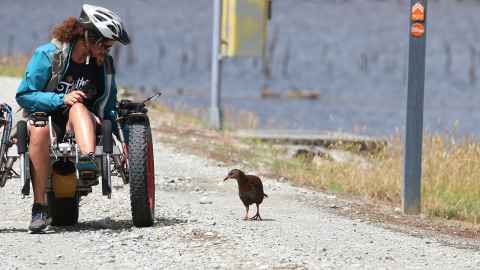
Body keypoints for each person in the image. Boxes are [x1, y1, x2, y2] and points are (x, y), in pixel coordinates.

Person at [16, 4, 130, 232]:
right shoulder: (48, 55)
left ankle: (87, 161)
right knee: (40, 127)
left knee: (78, 106)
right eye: (105, 45)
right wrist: (60, 99)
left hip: (81, 121)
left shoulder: (102, 65)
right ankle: (39, 208)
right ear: (88, 37)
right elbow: (24, 95)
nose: (107, 51)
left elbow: (109, 106)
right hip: (45, 118)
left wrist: (125, 140)